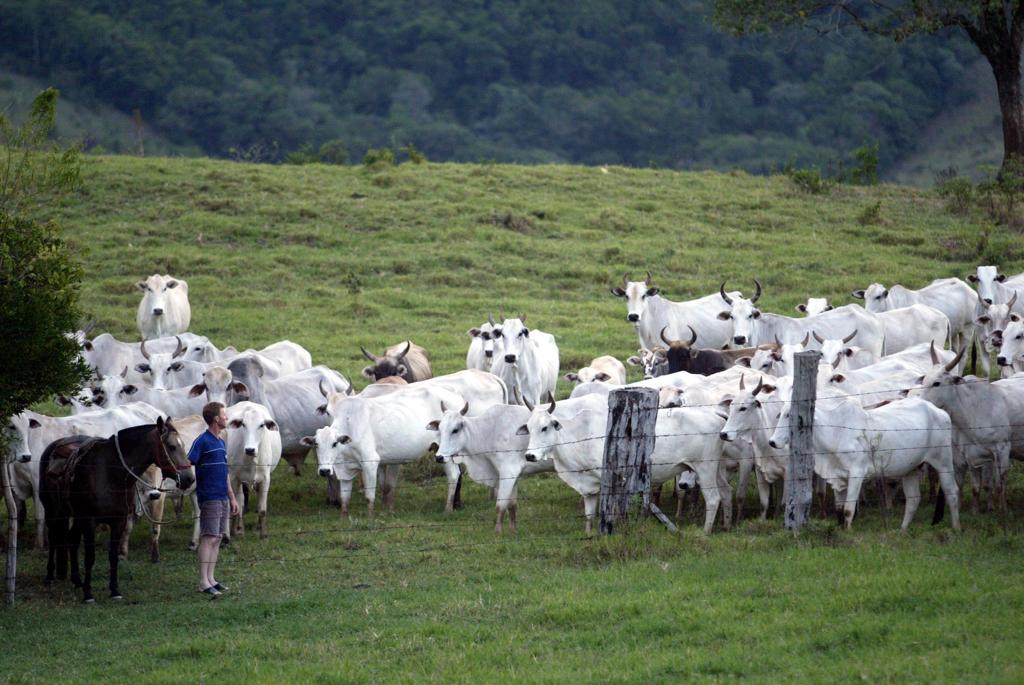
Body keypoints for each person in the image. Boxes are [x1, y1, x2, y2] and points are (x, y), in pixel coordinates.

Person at [187, 401, 239, 598]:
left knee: (217, 538)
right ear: (217, 419)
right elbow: (188, 462)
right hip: (209, 497)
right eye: (224, 415)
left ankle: (212, 579)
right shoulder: (202, 441)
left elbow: (224, 472)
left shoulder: (220, 442)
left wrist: (232, 497)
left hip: (222, 497)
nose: (226, 418)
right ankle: (203, 581)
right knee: (208, 537)